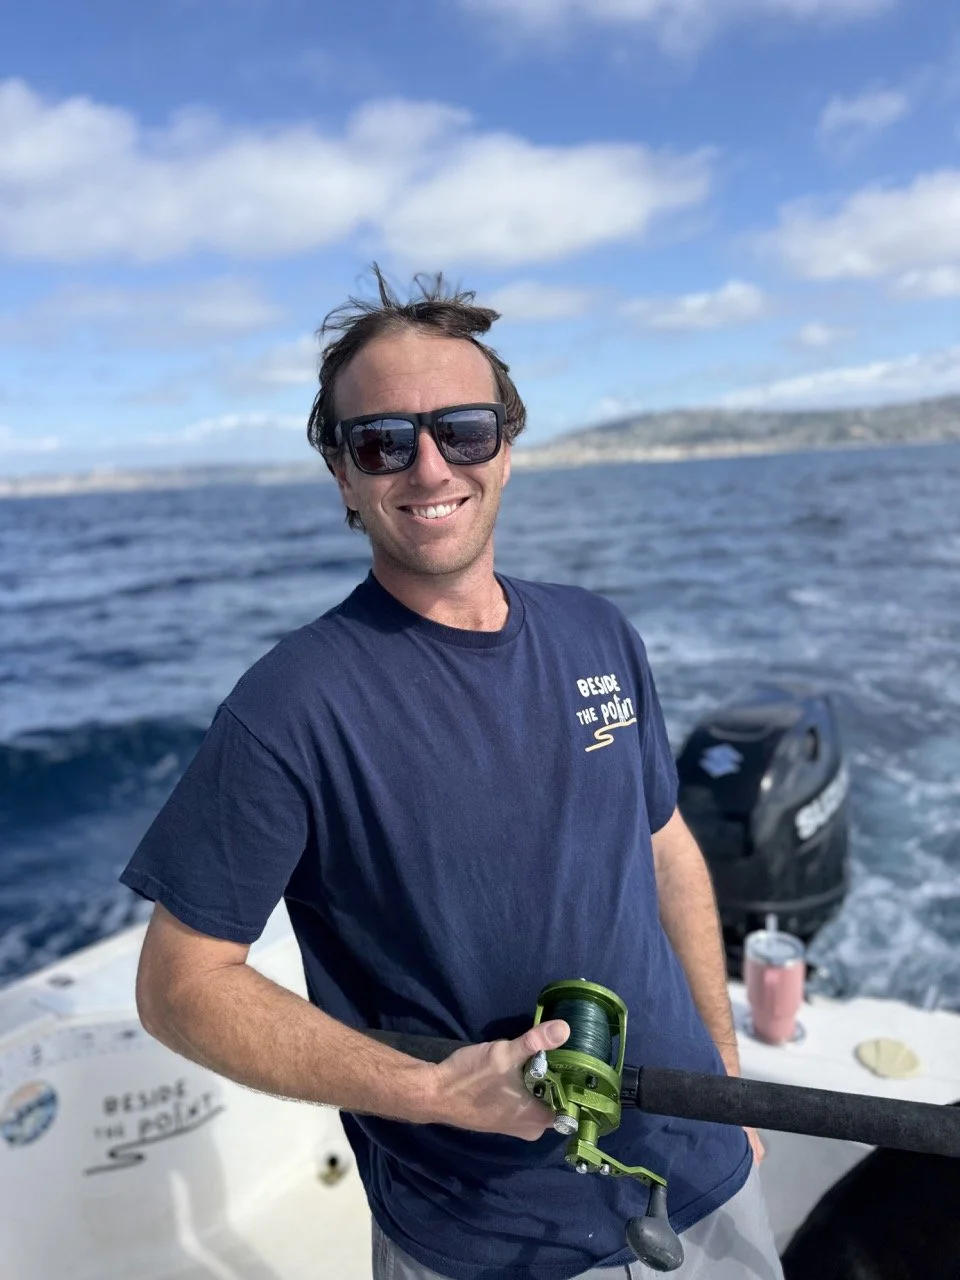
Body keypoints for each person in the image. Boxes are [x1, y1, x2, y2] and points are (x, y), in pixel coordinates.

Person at [121, 267, 784, 1280]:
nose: (429, 467)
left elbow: (667, 851)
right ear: (344, 475)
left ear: (506, 448)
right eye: (384, 440)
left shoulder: (599, 631)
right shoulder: (290, 706)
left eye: (462, 429)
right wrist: (431, 1092)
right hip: (485, 1239)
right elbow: (179, 984)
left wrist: (727, 1072)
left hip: (701, 1165)